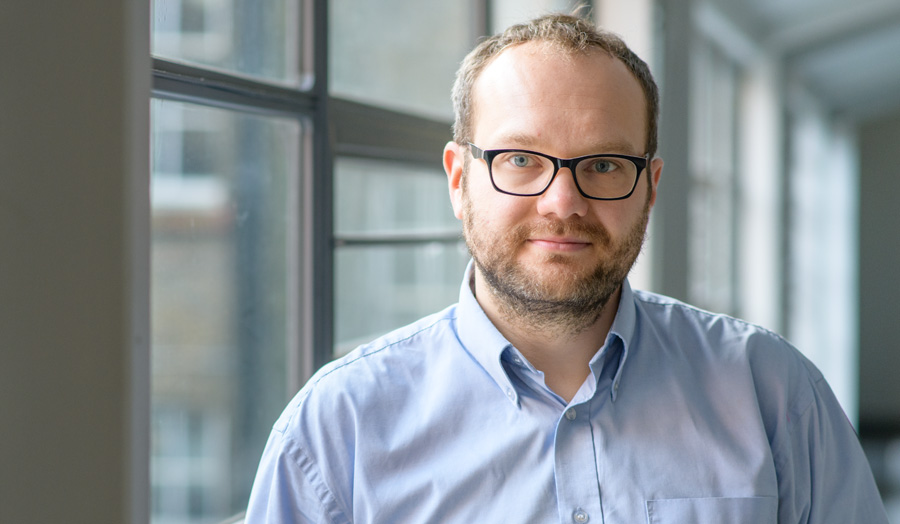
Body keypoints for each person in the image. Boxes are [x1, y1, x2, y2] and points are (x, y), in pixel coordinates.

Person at [246, 13, 888, 523]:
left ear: (651, 185)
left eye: (604, 165)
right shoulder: (338, 429)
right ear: (459, 178)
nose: (564, 202)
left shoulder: (774, 394)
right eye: (521, 159)